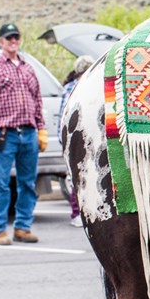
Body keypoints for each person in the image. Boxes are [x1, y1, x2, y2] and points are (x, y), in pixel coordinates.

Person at [0, 23, 48, 245]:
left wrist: (41, 129)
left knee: (27, 183)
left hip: (29, 133)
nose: (13, 41)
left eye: (15, 37)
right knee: (0, 184)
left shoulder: (28, 68)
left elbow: (37, 100)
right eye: (8, 38)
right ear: (1, 42)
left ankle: (23, 227)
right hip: (5, 135)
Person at [57, 55, 94, 228]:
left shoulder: (94, 87)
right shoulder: (70, 89)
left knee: (91, 175)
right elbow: (63, 118)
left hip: (91, 136)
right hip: (75, 138)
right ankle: (76, 212)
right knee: (76, 177)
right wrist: (63, 142)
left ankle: (90, 211)